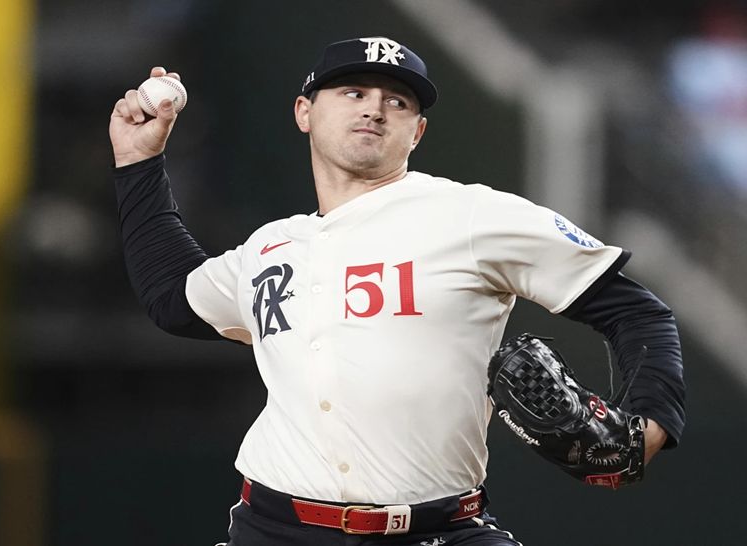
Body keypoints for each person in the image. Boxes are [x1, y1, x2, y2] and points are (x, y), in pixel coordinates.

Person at [110, 37, 685, 546]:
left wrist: (649, 425)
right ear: (305, 112)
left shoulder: (471, 215)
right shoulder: (271, 247)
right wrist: (138, 161)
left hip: (438, 529)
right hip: (273, 527)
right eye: (354, 92)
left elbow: (637, 312)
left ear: (418, 131)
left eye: (398, 101)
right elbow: (172, 297)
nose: (375, 108)